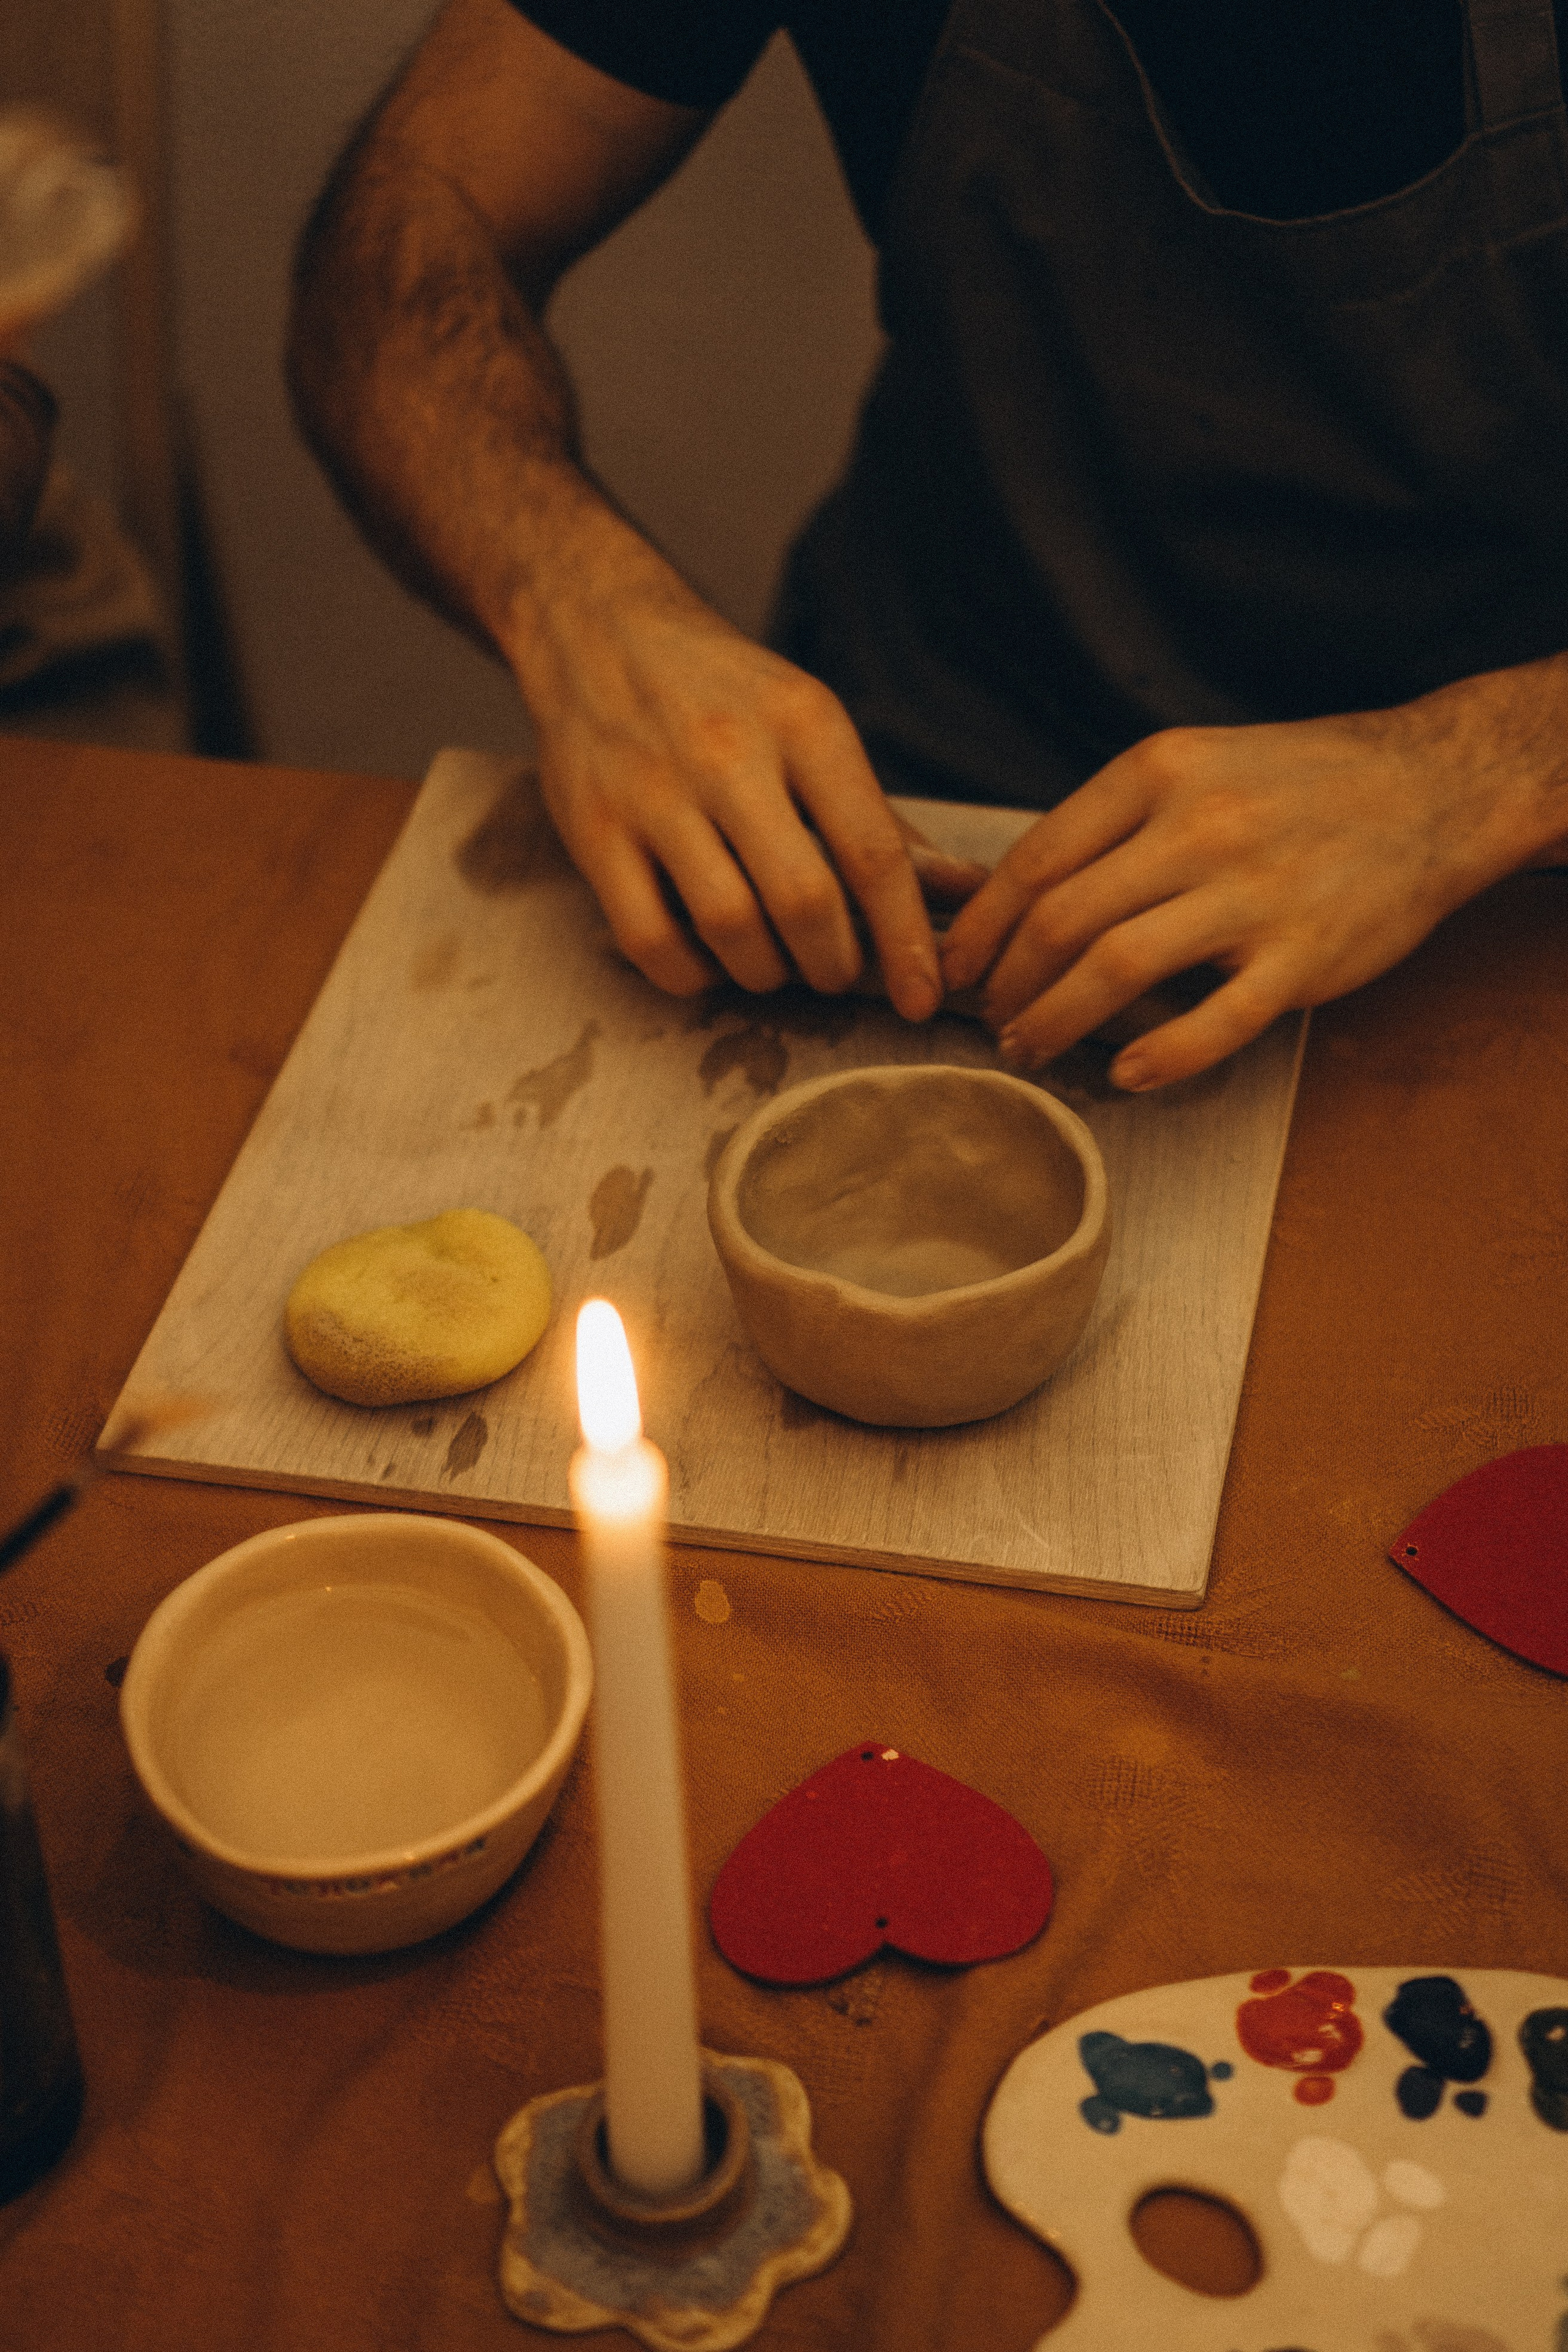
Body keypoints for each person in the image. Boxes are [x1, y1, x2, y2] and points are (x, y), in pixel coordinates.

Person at [288, 0, 1568, 1090]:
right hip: (916, 811)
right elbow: (406, 231)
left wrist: (1475, 770)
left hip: (1495, 897)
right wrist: (581, 612)